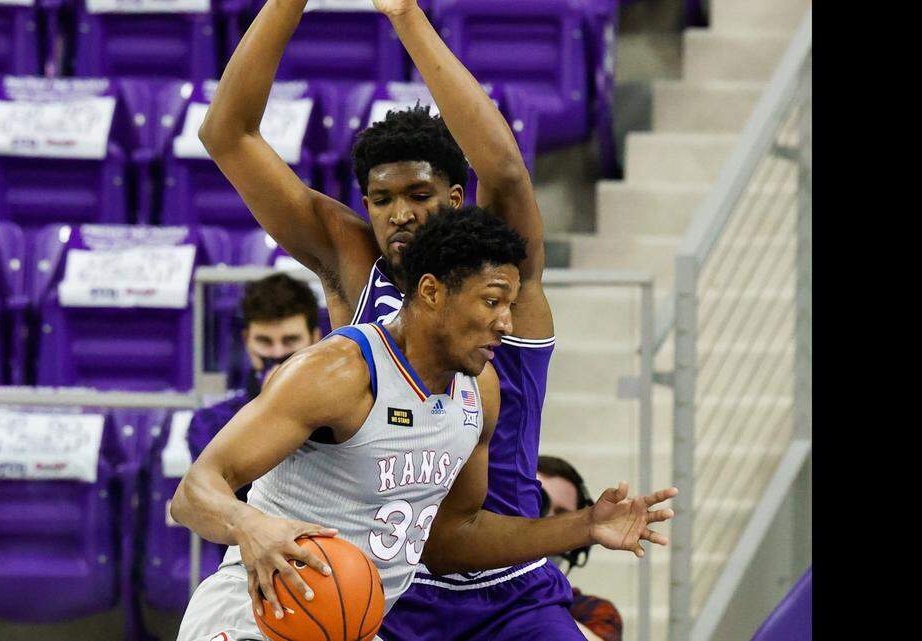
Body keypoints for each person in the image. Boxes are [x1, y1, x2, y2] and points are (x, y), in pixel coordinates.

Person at [196, 0, 601, 638]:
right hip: (380, 587)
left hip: (502, 582)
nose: (402, 215)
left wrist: (405, 14)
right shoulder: (355, 261)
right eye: (383, 200)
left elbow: (503, 170)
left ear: (456, 199)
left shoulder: (503, 268)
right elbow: (228, 135)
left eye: (421, 196)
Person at [169, 210, 677, 641]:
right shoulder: (338, 373)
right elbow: (193, 493)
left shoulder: (480, 392)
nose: (506, 322)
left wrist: (582, 527)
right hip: (256, 618)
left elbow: (453, 540)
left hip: (353, 627)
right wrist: (250, 525)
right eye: (492, 301)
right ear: (432, 292)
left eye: (510, 305)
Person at [188, 273, 323, 465]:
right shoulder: (210, 423)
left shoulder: (340, 419)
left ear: (315, 339)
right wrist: (268, 410)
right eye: (264, 341)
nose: (278, 353)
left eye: (290, 340)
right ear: (246, 341)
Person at [538, 455, 625, 641]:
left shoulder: (590, 610)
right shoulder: (467, 592)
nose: (547, 524)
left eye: (562, 516)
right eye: (537, 506)